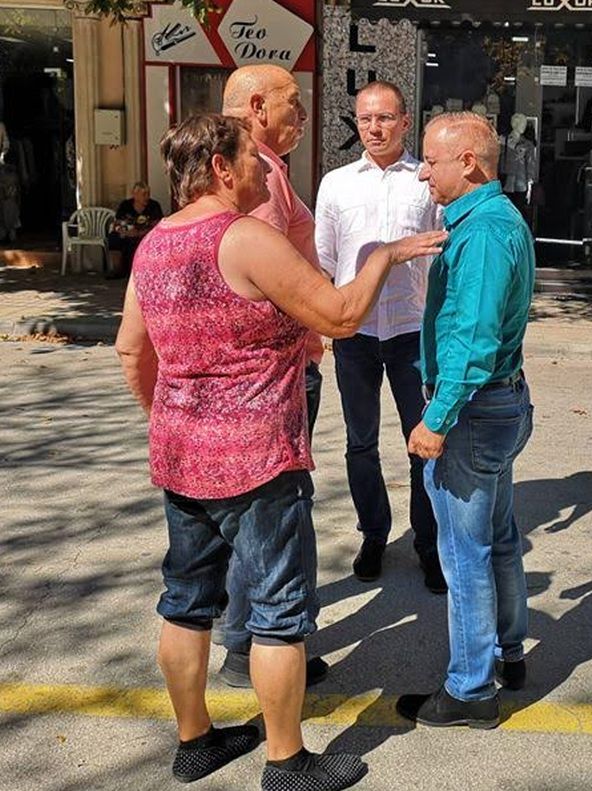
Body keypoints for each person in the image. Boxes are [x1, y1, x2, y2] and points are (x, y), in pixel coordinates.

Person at [115, 113, 446, 790]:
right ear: (220, 168)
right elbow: (340, 316)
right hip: (257, 457)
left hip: (182, 454)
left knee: (185, 600)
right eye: (253, 159)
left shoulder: (154, 243)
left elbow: (130, 349)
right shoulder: (244, 238)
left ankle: (195, 741)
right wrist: (382, 256)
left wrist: (172, 421)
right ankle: (287, 761)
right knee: (277, 613)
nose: (267, 173)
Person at [395, 112, 536, 729]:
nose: (422, 172)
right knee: (498, 537)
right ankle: (508, 651)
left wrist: (436, 418)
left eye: (431, 161)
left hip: (474, 412)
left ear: (469, 163)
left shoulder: (481, 233)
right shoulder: (493, 220)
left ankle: (471, 689)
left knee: (464, 554)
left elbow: (473, 341)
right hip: (500, 404)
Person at [218, 64, 327, 690]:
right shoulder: (254, 175)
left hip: (277, 367)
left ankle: (249, 635)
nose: (303, 114)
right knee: (273, 512)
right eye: (293, 102)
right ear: (258, 107)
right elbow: (261, 286)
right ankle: (254, 642)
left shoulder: (259, 169)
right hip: (276, 371)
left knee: (263, 506)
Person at [314, 80, 446, 592]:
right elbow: (325, 263)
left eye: (385, 118)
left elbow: (445, 253)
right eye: (365, 118)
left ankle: (428, 543)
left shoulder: (426, 181)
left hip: (412, 329)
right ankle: (373, 533)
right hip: (356, 333)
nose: (374, 127)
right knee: (360, 442)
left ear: (405, 122)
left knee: (422, 442)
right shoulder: (336, 184)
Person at [108, 181, 163, 277]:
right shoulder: (125, 205)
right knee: (114, 237)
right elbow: (117, 223)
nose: (147, 197)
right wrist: (126, 232)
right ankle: (117, 269)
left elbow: (157, 225)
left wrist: (140, 233)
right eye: (144, 194)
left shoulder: (154, 205)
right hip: (128, 232)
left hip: (145, 233)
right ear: (135, 195)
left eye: (148, 194)